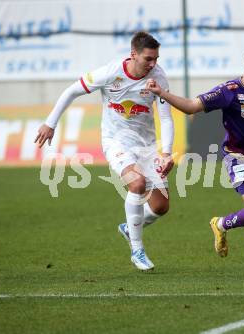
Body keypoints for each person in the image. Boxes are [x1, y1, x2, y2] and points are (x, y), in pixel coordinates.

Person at [35, 31, 174, 271]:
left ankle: (128, 228)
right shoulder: (111, 73)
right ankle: (137, 250)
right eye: (148, 59)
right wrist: (50, 123)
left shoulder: (158, 77)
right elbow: (71, 91)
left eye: (156, 59)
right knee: (137, 183)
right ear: (133, 54)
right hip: (116, 141)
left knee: (161, 206)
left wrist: (167, 152)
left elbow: (166, 116)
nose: (153, 64)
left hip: (146, 145)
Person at [146, 50, 244, 282]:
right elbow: (190, 106)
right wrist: (162, 93)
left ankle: (220, 224)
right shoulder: (227, 93)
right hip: (239, 158)